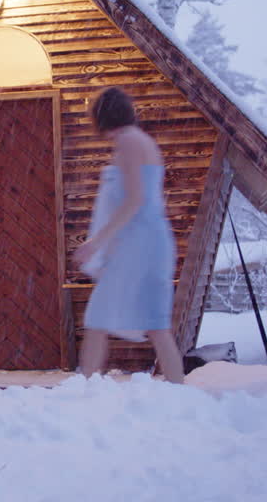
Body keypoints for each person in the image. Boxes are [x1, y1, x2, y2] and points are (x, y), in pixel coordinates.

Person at [72, 86, 185, 383]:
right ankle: (180, 394)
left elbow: (135, 200)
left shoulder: (131, 143)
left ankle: (83, 389)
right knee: (155, 324)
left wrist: (96, 243)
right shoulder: (137, 141)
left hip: (141, 246)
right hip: (146, 242)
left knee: (101, 317)